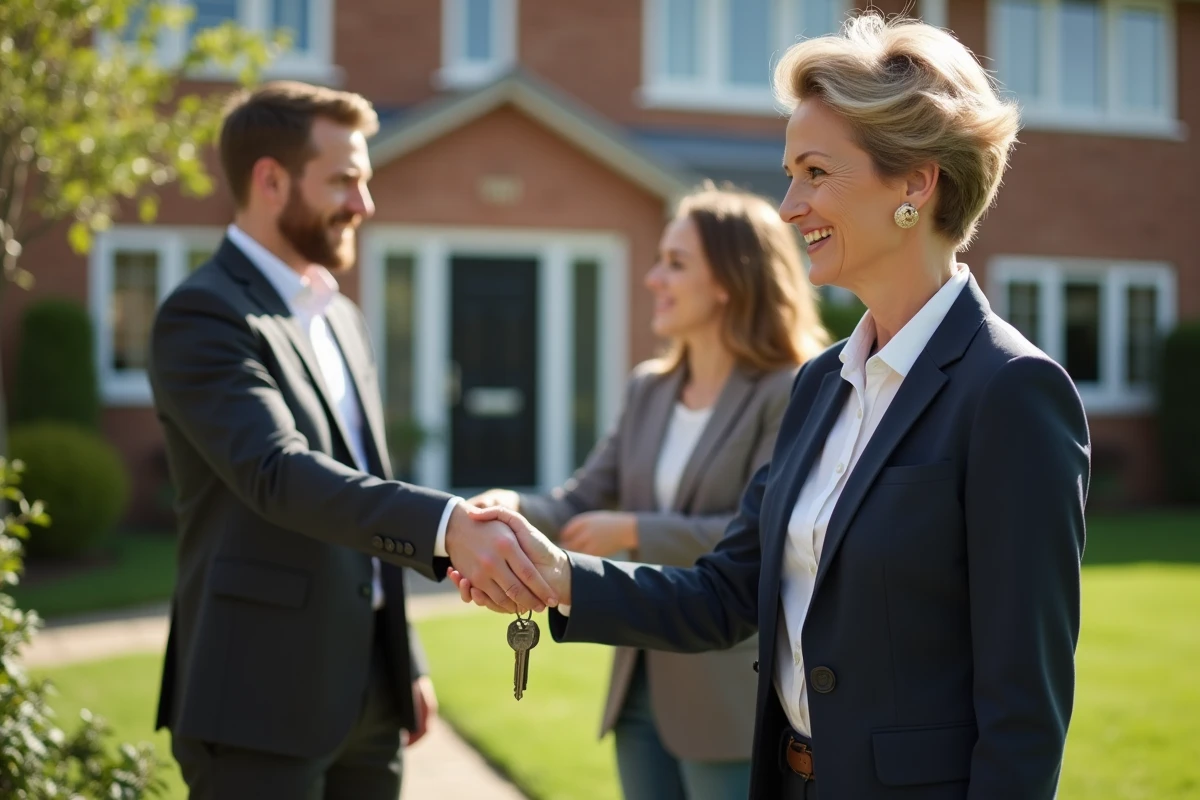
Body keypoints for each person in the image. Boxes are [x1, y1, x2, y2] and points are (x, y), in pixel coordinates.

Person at [452, 14, 1091, 800]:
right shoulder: (821, 384)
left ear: (916, 183)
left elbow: (1024, 710)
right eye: (791, 173)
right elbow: (725, 592)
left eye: (815, 172)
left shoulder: (1011, 393)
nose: (789, 206)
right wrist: (557, 576)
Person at [148, 81, 557, 800]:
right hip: (256, 699)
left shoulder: (340, 317)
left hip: (370, 691)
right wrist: (448, 525)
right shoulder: (203, 317)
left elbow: (363, 477)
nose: (365, 205)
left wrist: (408, 660)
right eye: (345, 181)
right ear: (270, 180)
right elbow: (278, 472)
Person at [470, 184, 829, 800]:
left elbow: (769, 535)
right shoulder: (648, 389)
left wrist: (635, 531)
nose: (653, 279)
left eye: (675, 263)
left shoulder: (793, 389)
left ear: (729, 281)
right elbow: (579, 502)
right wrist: (512, 506)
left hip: (726, 696)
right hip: (636, 686)